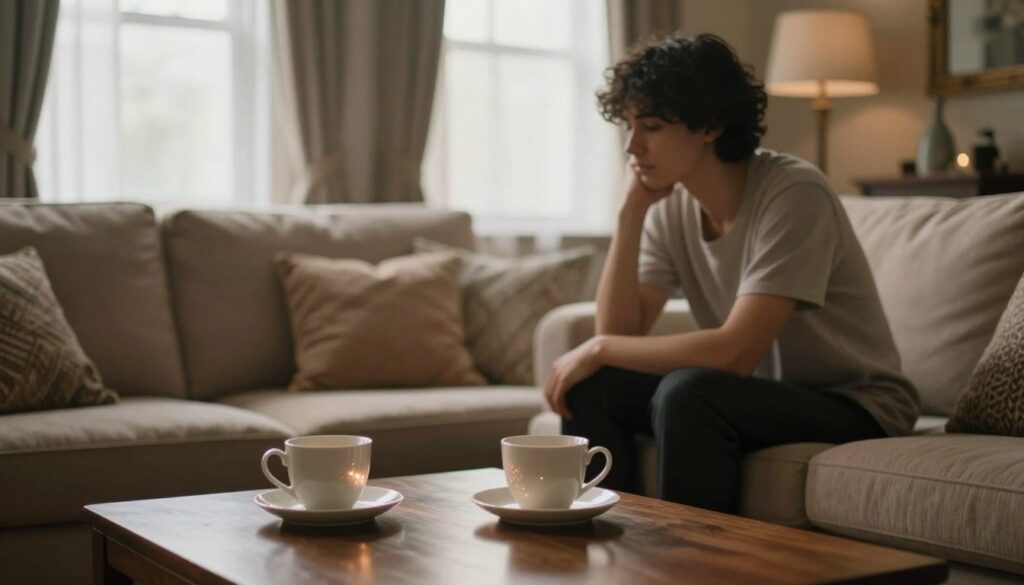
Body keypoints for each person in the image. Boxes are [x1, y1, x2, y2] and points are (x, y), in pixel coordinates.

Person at [542, 33, 919, 513]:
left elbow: (735, 353)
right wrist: (628, 215)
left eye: (652, 127)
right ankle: (614, 550)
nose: (632, 146)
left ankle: (694, 561)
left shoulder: (795, 193)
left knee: (690, 393)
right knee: (594, 387)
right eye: (629, 127)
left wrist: (596, 348)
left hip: (856, 403)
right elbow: (620, 336)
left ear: (711, 125)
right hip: (760, 395)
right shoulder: (669, 207)